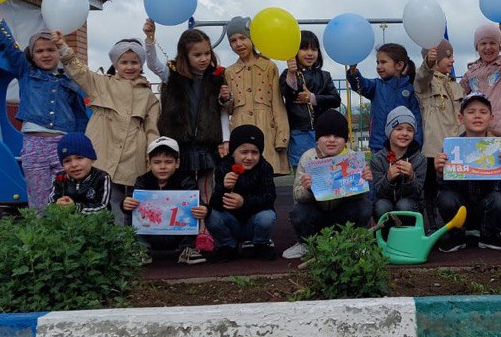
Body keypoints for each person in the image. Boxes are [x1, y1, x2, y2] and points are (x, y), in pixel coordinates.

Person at [0, 1, 89, 210]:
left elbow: (80, 116)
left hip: (63, 144)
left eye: (51, 49)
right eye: (39, 51)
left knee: (67, 195)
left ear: (59, 53)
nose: (45, 54)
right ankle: (40, 229)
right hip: (34, 144)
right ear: (32, 55)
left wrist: (80, 146)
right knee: (39, 196)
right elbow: (9, 49)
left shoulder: (69, 81)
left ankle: (65, 229)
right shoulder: (26, 72)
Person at [57, 32, 160, 225]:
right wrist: (64, 48)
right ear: (115, 63)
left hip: (133, 155)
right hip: (102, 151)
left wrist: (152, 156)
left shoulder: (149, 96)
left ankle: (127, 240)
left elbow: (152, 130)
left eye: (135, 62)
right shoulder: (101, 84)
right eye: (124, 62)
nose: (129, 67)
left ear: (141, 64)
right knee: (101, 199)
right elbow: (79, 72)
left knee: (129, 204)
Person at [143, 21, 228, 207]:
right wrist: (150, 39)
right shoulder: (172, 74)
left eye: (207, 53)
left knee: (207, 187)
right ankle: (183, 223)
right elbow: (153, 64)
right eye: (197, 55)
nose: (203, 59)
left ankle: (205, 223)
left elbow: (222, 111)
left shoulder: (216, 77)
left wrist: (226, 139)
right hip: (179, 142)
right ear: (185, 55)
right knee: (182, 188)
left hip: (206, 143)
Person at [285, 110, 374, 259]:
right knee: (298, 212)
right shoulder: (308, 158)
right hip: (318, 214)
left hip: (343, 214)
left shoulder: (352, 158)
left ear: (345, 140)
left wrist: (364, 181)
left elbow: (361, 197)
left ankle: (356, 242)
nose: (331, 140)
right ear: (317, 139)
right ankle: (306, 244)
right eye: (326, 135)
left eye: (337, 136)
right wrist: (308, 189)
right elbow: (297, 196)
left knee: (364, 206)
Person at [433, 92, 501, 252]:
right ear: (461, 118)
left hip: (487, 209)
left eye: (483, 112)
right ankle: (456, 236)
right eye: (471, 112)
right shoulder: (451, 148)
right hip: (461, 208)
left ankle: (489, 235)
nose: (477, 116)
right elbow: (446, 188)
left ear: (491, 118)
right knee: (446, 197)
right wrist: (440, 173)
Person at [123, 137, 209, 266]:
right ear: (149, 163)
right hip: (150, 234)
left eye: (168, 162)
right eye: (157, 162)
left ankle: (187, 249)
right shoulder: (142, 181)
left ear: (177, 163)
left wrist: (203, 209)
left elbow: (196, 201)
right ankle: (141, 249)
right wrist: (125, 204)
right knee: (133, 209)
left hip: (178, 235)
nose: (162, 167)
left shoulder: (186, 180)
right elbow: (130, 201)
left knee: (192, 210)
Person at [223, 16, 290, 175]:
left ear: (252, 38)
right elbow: (229, 109)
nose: (239, 44)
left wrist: (282, 136)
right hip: (239, 127)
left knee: (265, 174)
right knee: (242, 174)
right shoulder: (229, 72)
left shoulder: (269, 66)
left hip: (266, 128)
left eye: (243, 38)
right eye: (233, 41)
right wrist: (226, 98)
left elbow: (277, 103)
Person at [207, 124, 278, 261]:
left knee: (267, 216)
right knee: (210, 214)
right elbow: (215, 203)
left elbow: (269, 198)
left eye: (255, 152)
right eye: (244, 152)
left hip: (253, 221)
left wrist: (244, 202)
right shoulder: (223, 167)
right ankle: (228, 245)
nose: (249, 157)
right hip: (231, 221)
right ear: (233, 152)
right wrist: (224, 187)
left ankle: (261, 243)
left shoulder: (265, 168)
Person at [415, 39, 463, 224]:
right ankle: (432, 223)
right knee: (431, 190)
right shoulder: (426, 84)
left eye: (452, 56)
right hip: (434, 149)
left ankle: (455, 224)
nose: (452, 60)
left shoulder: (455, 85)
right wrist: (428, 63)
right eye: (448, 57)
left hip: (456, 147)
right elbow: (422, 77)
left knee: (454, 190)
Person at [281, 30, 340, 169]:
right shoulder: (288, 74)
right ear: (295, 52)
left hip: (323, 133)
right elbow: (289, 93)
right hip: (299, 132)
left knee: (326, 171)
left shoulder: (325, 76)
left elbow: (336, 100)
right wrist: (291, 73)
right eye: (304, 48)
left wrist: (313, 98)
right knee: (302, 171)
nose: (310, 53)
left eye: (314, 49)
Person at [347, 43, 421, 152]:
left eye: (383, 62)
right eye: (377, 62)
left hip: (403, 147)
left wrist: (415, 145)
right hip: (379, 145)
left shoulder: (410, 90)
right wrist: (353, 72)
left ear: (399, 65)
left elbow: (416, 120)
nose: (378, 66)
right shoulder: (376, 86)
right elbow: (361, 84)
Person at [460, 23, 501, 138]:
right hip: (479, 131)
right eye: (483, 43)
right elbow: (458, 95)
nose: (488, 47)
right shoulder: (471, 73)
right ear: (476, 47)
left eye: (493, 43)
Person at [369, 106, 427, 223]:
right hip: (386, 203)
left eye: (409, 130)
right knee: (381, 206)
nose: (404, 133)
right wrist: (388, 179)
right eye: (399, 129)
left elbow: (417, 193)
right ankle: (386, 233)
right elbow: (379, 193)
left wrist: (411, 177)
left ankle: (409, 233)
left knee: (404, 205)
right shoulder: (377, 159)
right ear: (389, 132)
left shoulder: (420, 159)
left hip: (410, 204)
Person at [52, 132, 113, 215]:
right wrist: (56, 205)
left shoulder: (102, 178)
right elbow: (50, 204)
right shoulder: (60, 178)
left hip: (96, 222)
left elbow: (104, 208)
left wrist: (76, 208)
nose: (74, 164)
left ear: (92, 159)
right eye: (67, 161)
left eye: (79, 158)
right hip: (67, 222)